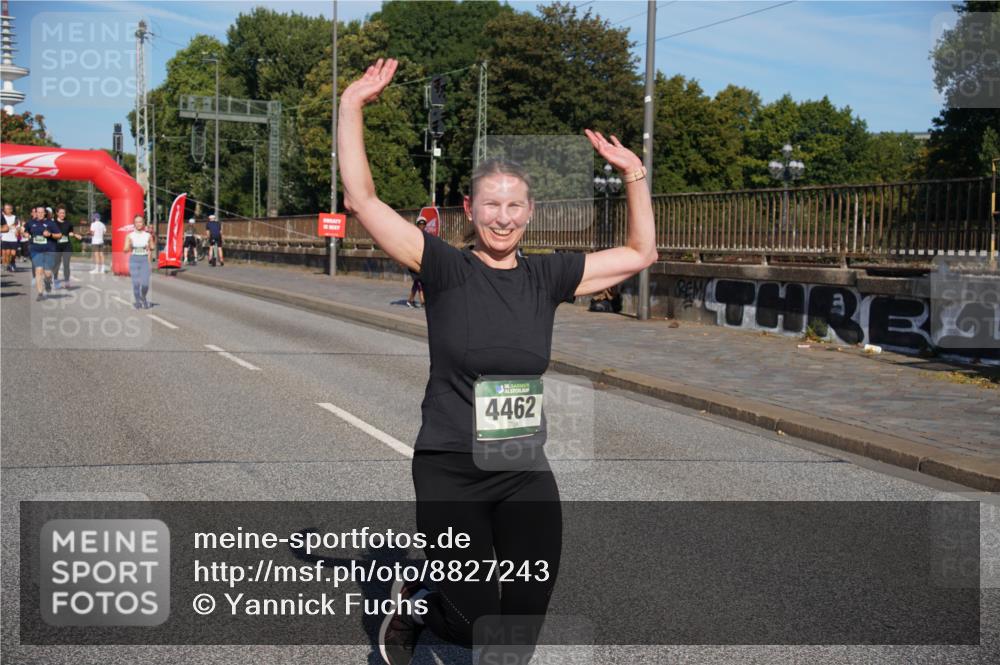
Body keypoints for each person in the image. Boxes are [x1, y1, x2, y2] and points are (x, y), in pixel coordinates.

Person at [339, 59, 656, 665]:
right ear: (470, 207)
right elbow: (363, 199)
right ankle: (422, 605)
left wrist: (633, 173)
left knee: (523, 619)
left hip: (520, 468)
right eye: (491, 205)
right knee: (471, 623)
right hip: (450, 469)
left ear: (530, 211)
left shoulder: (548, 276)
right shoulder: (444, 268)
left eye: (514, 206)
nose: (503, 217)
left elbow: (641, 252)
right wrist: (351, 106)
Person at [26, 204, 63, 301]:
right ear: (35, 213)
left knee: (47, 273)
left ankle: (47, 281)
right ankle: (40, 293)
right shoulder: (31, 222)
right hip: (36, 250)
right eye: (38, 212)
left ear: (45, 213)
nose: (40, 214)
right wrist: (25, 234)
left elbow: (59, 235)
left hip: (49, 249)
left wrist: (50, 234)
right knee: (38, 270)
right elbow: (26, 231)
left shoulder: (50, 223)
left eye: (42, 212)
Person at [124, 214, 154, 308]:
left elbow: (152, 247)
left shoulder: (148, 235)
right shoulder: (130, 236)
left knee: (145, 284)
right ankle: (137, 301)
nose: (138, 224)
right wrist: (130, 245)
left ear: (143, 223)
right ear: (134, 224)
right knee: (136, 283)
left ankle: (143, 297)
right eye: (136, 222)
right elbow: (125, 250)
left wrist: (149, 245)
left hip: (144, 260)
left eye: (140, 222)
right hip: (134, 259)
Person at [51, 204, 82, 287]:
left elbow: (70, 232)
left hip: (66, 246)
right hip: (56, 246)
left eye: (64, 213)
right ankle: (55, 279)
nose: (62, 215)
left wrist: (75, 235)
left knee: (66, 264)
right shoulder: (53, 223)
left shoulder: (68, 223)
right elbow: (50, 234)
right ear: (57, 213)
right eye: (61, 213)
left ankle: (67, 281)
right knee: (56, 264)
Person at [405, 219, 427, 308]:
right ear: (417, 225)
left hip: (421, 261)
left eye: (423, 224)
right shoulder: (413, 235)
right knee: (419, 279)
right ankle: (423, 301)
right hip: (412, 260)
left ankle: (410, 300)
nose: (422, 226)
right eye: (420, 224)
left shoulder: (425, 235)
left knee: (417, 281)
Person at [1, 203, 20, 272]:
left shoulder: (15, 217)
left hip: (13, 238)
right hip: (4, 238)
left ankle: (12, 263)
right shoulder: (2, 217)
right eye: (5, 209)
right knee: (6, 254)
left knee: (13, 254)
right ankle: (6, 265)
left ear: (11, 210)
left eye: (8, 209)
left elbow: (18, 226)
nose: (6, 210)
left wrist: (17, 231)